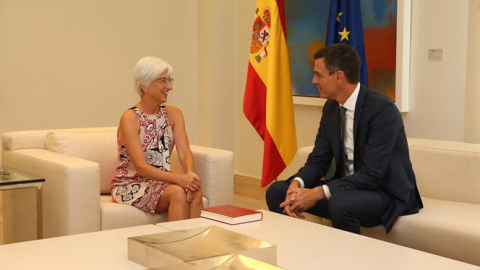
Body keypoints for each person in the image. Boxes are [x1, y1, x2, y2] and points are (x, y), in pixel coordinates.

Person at [266, 43, 423, 234]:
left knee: (340, 203)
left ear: (339, 77)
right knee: (277, 192)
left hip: (384, 192)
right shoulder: (331, 108)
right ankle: (296, 253)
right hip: (347, 188)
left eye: (319, 75)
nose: (315, 81)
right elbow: (318, 160)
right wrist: (298, 184)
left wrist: (316, 193)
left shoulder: (383, 111)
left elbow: (372, 175)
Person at [111, 56, 202, 221]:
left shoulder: (174, 114)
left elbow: (184, 153)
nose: (170, 87)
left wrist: (190, 175)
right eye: (163, 81)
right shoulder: (130, 118)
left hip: (162, 182)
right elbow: (140, 167)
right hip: (132, 185)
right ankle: (175, 246)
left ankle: (194, 245)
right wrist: (181, 180)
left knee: (195, 191)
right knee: (178, 193)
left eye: (169, 80)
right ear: (144, 86)